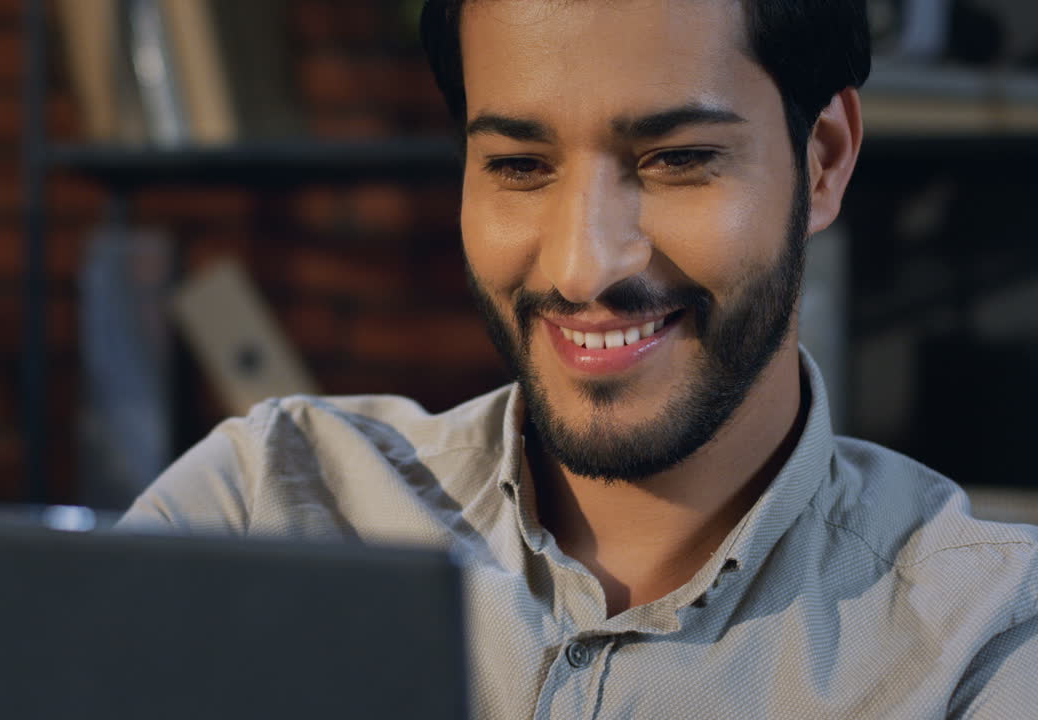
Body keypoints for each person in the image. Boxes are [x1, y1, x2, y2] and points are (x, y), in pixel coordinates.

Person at [122, 1, 1038, 717]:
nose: (582, 266)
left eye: (678, 159)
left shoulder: (983, 642)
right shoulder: (265, 504)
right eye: (520, 166)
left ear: (825, 160)